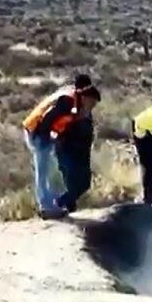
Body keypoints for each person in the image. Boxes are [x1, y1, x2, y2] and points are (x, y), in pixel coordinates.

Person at [22, 74, 101, 218]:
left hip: (42, 133)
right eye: (92, 103)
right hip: (37, 132)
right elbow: (47, 119)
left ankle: (52, 203)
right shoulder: (68, 100)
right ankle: (46, 208)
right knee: (43, 170)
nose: (92, 107)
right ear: (85, 97)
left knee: (48, 170)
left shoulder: (74, 99)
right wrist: (47, 139)